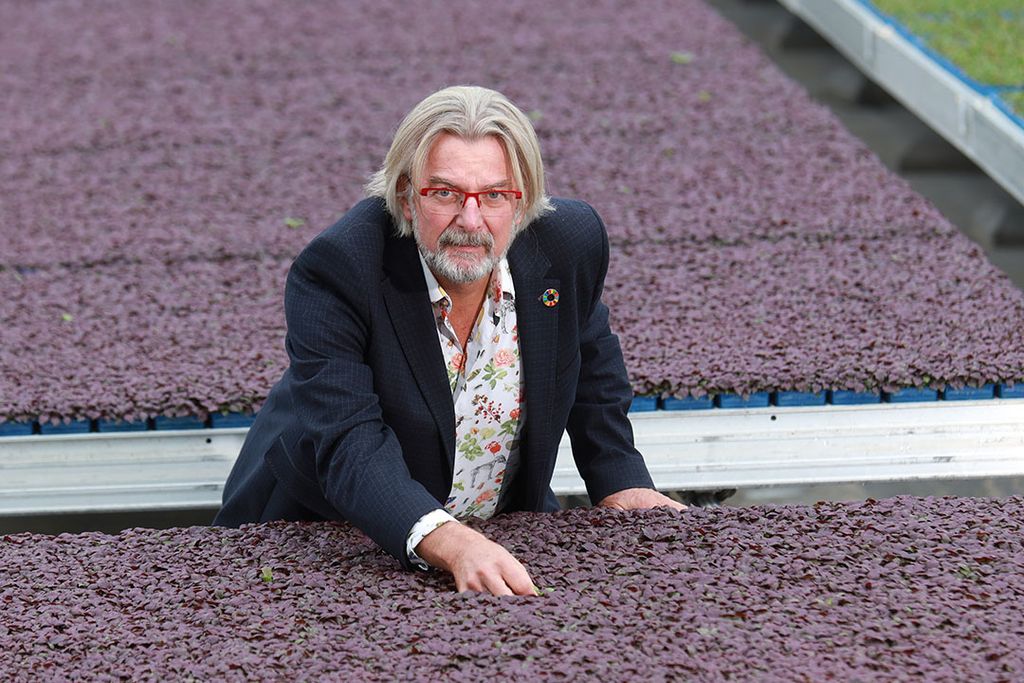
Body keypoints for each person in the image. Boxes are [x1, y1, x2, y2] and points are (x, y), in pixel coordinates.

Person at [214, 85, 685, 596]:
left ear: (522, 200)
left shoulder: (568, 244)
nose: (470, 221)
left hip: (496, 530)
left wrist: (621, 481)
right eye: (444, 193)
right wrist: (451, 542)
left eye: (495, 196)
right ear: (405, 199)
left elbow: (589, 362)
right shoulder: (342, 268)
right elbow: (350, 443)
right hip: (325, 534)